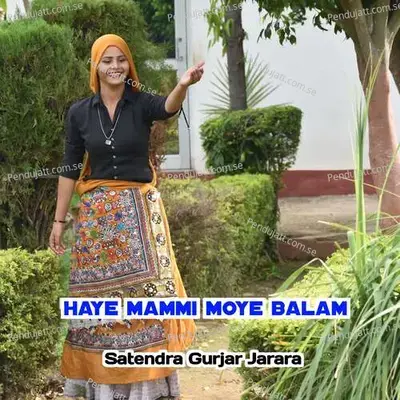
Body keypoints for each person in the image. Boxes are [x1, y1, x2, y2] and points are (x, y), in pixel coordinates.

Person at [49, 33, 204, 400]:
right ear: (96, 66)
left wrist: (182, 85)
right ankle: (103, 387)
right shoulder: (79, 113)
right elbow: (70, 166)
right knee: (99, 302)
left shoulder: (140, 103)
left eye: (121, 59)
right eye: (107, 60)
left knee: (145, 299)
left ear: (128, 64)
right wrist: (58, 221)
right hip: (96, 220)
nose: (115, 66)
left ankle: (146, 387)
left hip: (139, 214)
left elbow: (167, 107)